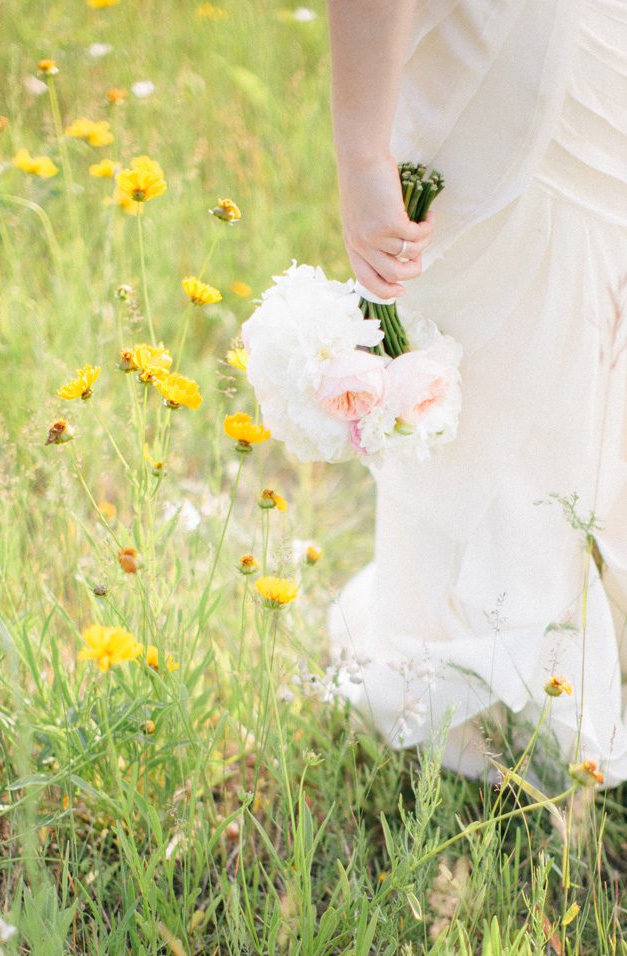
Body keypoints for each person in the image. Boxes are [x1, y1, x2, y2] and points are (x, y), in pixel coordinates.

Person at [325, 0, 627, 789]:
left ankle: (571, 672)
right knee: (513, 342)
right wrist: (360, 156)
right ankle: (498, 681)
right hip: (521, 70)